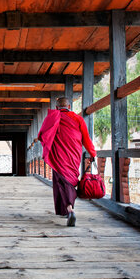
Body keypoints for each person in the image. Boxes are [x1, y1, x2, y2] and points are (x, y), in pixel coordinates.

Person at [37, 97, 96, 226]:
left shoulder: (52, 117)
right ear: (69, 106)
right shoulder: (78, 118)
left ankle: (68, 210)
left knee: (61, 182)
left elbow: (42, 135)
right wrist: (92, 153)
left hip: (58, 156)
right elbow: (86, 138)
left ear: (57, 107)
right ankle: (68, 209)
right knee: (69, 181)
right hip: (73, 156)